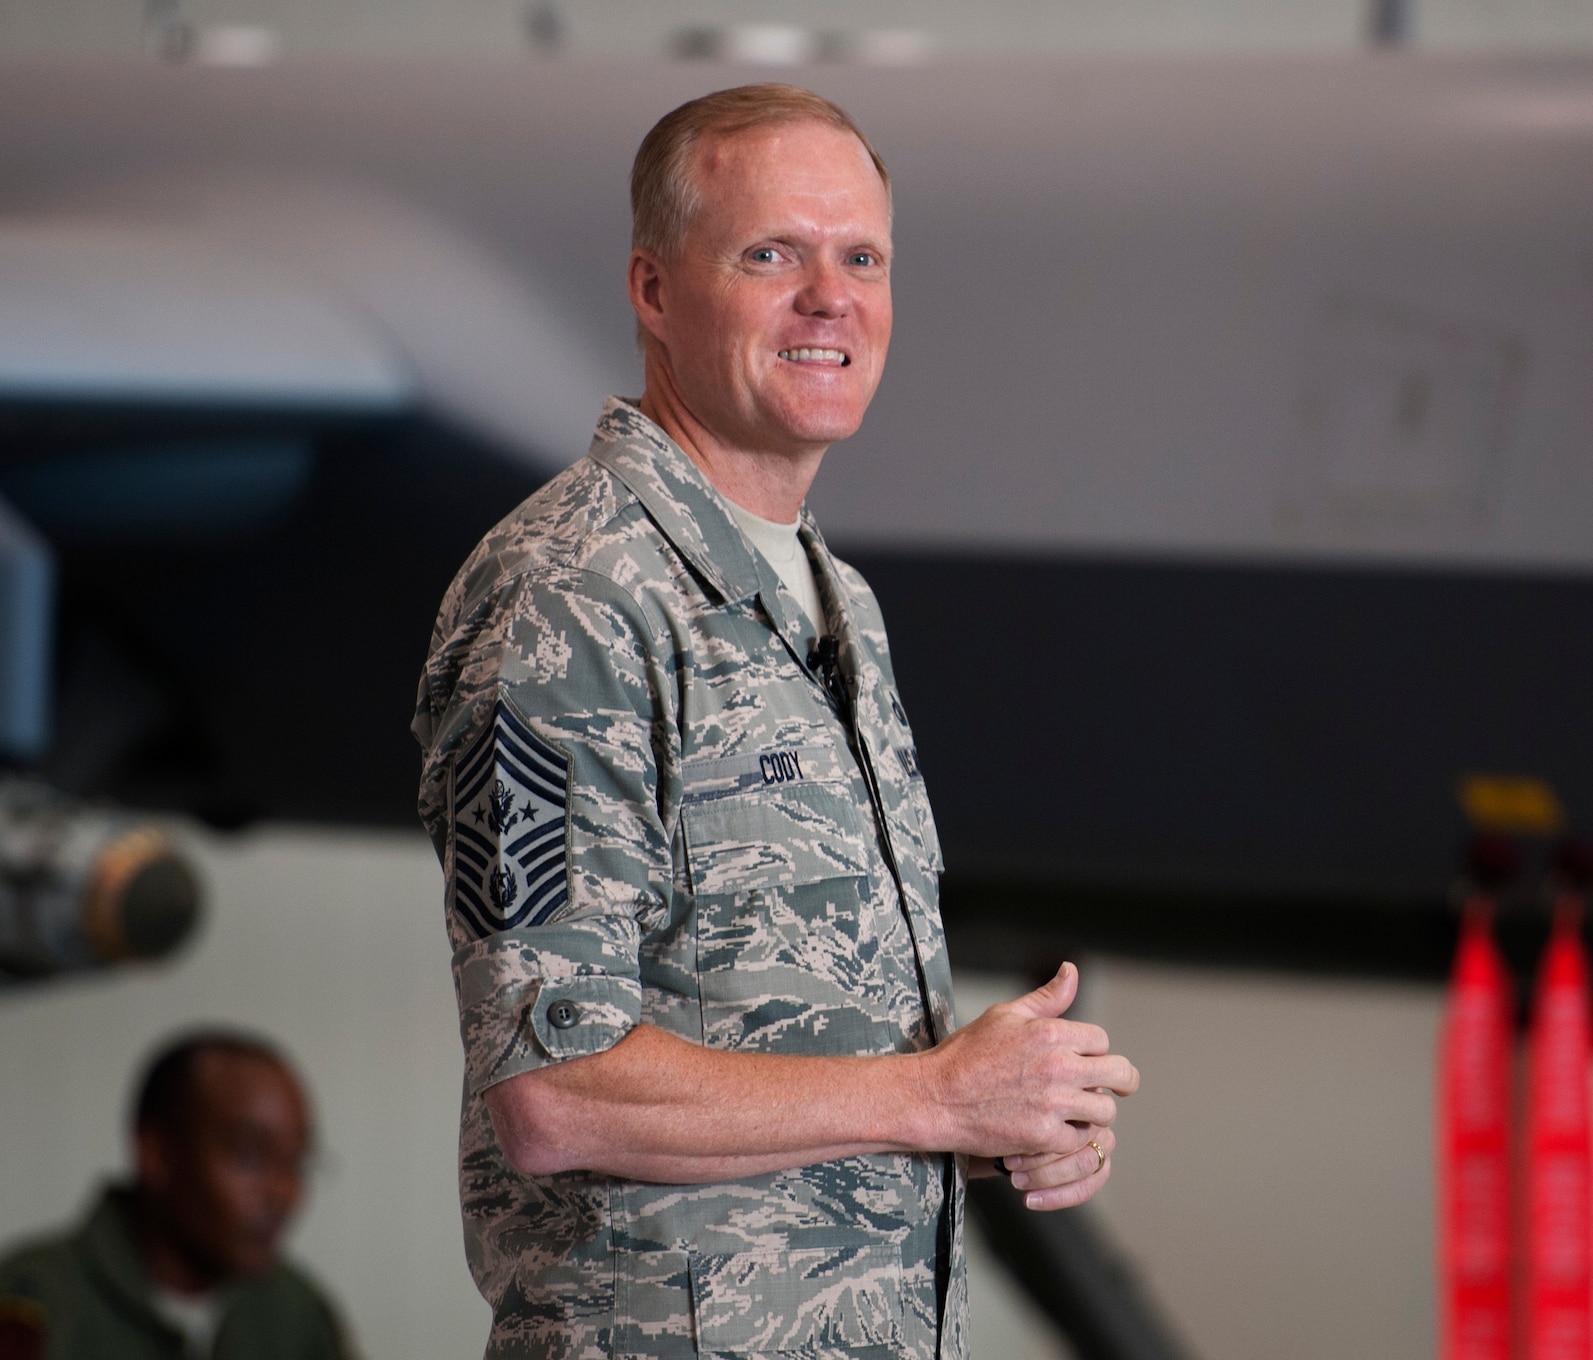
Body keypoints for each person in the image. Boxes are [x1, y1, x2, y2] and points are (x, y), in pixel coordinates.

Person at [411, 83, 1139, 1360]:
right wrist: (933, 1092)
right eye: (771, 255)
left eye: (861, 256)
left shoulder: (831, 599)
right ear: (652, 291)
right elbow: (556, 1093)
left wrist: (996, 1113)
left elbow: (798, 1050)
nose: (830, 298)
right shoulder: (570, 600)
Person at [0, 1032, 349, 1360]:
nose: (283, 1191)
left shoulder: (297, 1311)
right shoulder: (32, 1302)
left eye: (296, 1161)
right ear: (158, 1155)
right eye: (250, 1156)